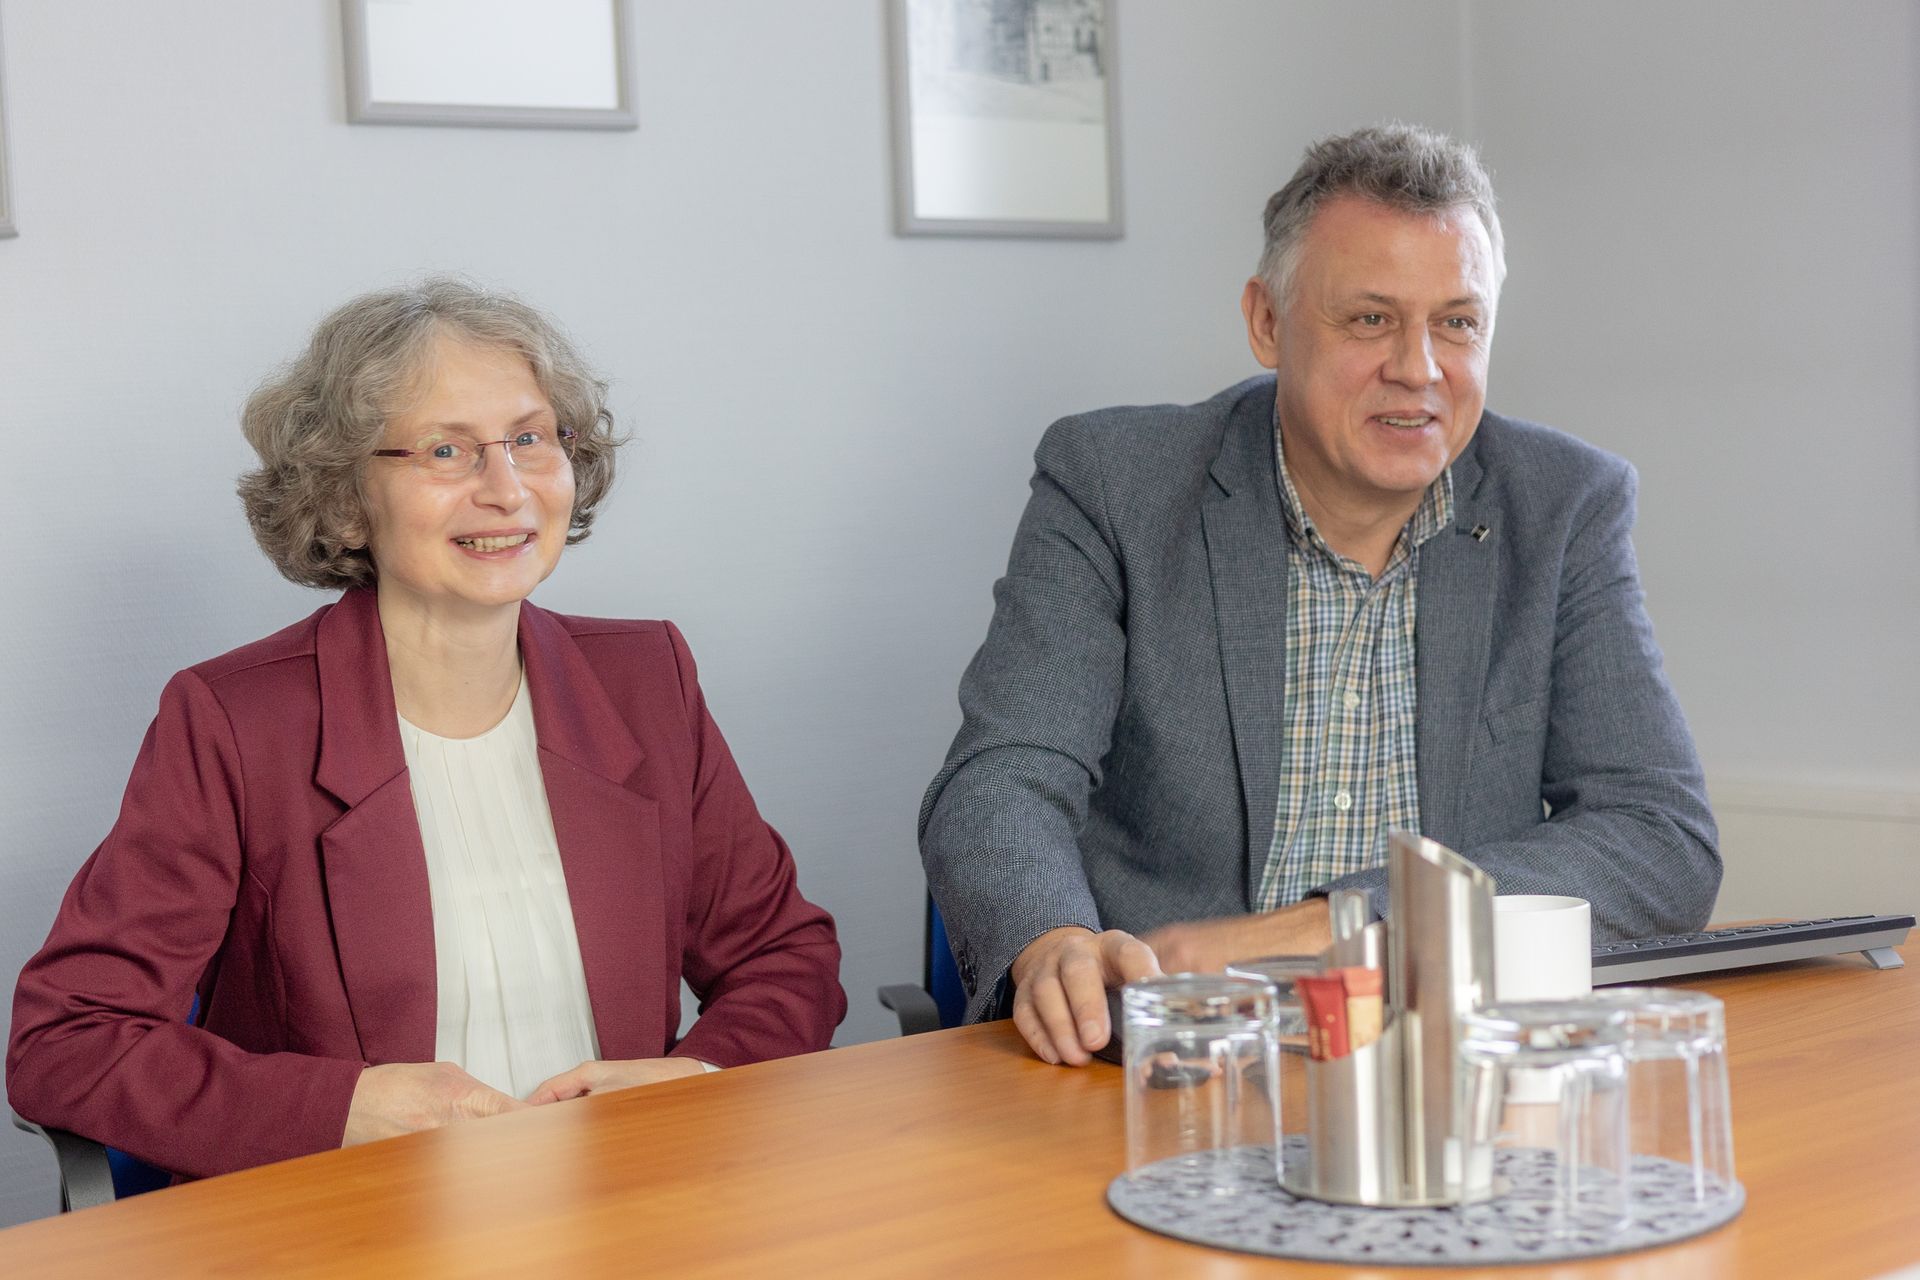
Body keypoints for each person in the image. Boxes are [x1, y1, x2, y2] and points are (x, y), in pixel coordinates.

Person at [919, 123, 1719, 1067]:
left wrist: (1341, 926)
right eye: (1371, 319)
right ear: (1266, 322)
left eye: (1457, 322)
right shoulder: (1116, 484)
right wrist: (1049, 940)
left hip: (1439, 1073)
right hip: (1159, 1067)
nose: (1418, 369)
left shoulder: (1563, 506)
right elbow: (1003, 776)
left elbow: (1660, 837)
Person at [7, 279, 846, 1178]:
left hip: (629, 1209)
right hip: (352, 1228)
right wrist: (342, 1109)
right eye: (447, 450)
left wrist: (694, 1077)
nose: (505, 488)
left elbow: (783, 956)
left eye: (530, 439)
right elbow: (67, 1042)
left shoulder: (647, 679)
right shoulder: (238, 722)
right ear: (343, 494)